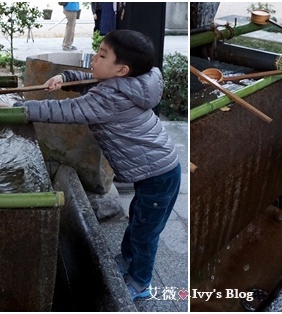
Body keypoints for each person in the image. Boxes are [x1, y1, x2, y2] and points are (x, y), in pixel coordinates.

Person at [12, 29, 181, 301]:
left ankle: (140, 282)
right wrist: (65, 78)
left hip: (157, 173)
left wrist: (24, 109)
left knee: (145, 231)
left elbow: (66, 111)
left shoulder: (111, 99)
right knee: (140, 219)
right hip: (159, 168)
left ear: (122, 70)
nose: (93, 59)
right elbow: (94, 79)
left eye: (101, 55)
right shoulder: (134, 80)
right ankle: (126, 260)